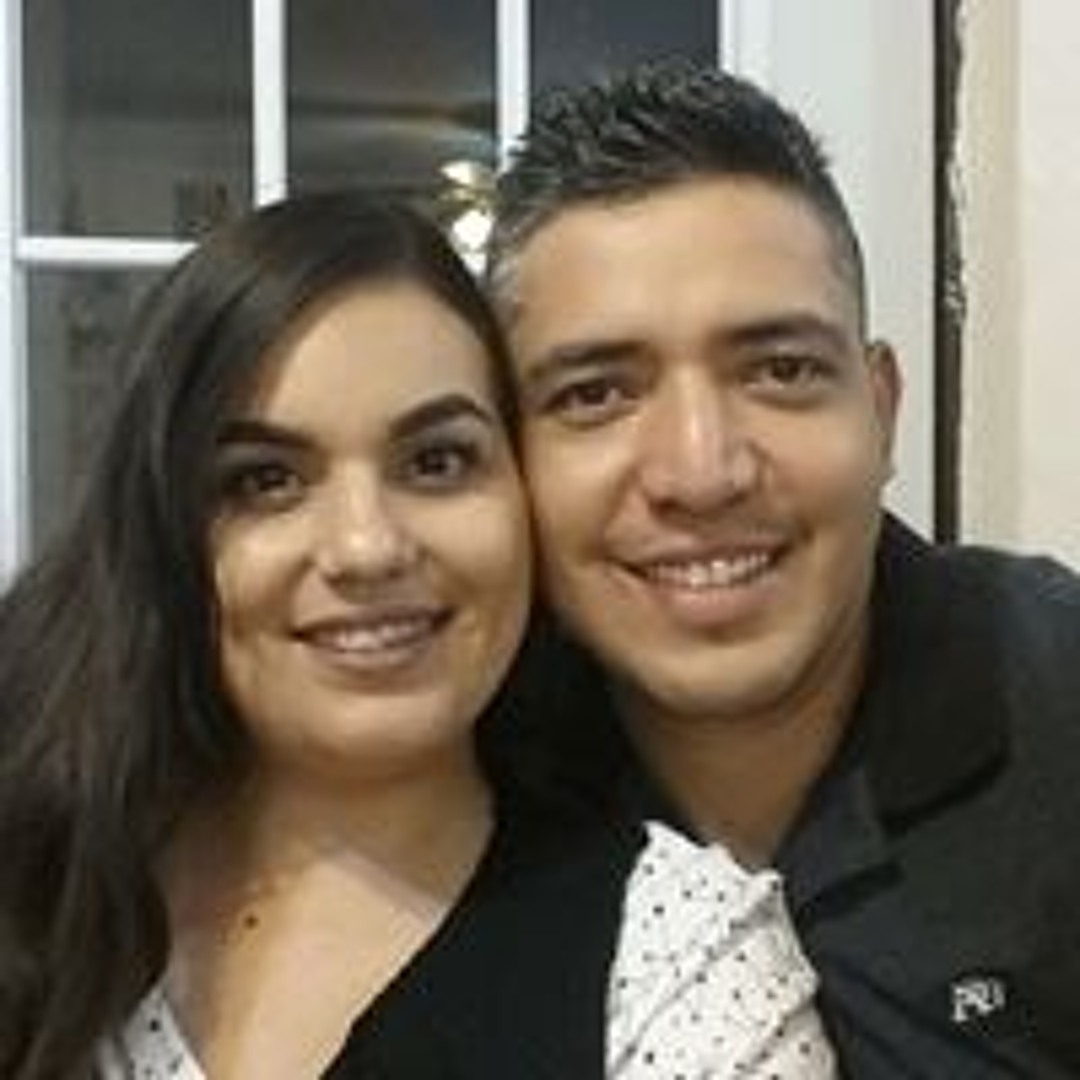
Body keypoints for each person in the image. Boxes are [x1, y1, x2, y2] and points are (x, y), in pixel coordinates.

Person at [488, 59, 1080, 1077]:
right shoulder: (459, 773)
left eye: (780, 370)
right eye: (596, 394)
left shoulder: (1058, 695)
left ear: (881, 409)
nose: (700, 471)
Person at [0, 190, 578, 1079]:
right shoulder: (40, 865)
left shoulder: (674, 960)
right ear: (163, 528)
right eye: (266, 480)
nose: (366, 548)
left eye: (436, 462)